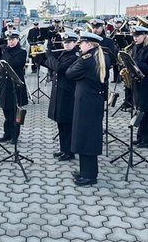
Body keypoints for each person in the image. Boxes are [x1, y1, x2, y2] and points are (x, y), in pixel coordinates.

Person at [65, 31, 107, 186]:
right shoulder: (96, 56)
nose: (79, 45)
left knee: (87, 138)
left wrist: (78, 58)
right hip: (90, 102)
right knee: (85, 136)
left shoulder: (86, 60)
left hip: (87, 104)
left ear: (89, 45)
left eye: (81, 43)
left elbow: (69, 73)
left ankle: (90, 175)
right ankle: (85, 171)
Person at [44, 30, 78, 161]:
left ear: (75, 43)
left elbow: (59, 68)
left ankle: (69, 152)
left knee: (67, 124)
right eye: (65, 42)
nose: (66, 44)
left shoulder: (74, 57)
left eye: (69, 42)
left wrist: (50, 56)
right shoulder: (64, 53)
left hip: (68, 94)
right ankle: (63, 149)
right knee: (61, 123)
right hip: (60, 92)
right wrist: (47, 55)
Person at [0, 29, 28, 144]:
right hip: (5, 85)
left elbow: (13, 63)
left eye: (13, 39)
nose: (10, 42)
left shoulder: (21, 52)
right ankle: (7, 133)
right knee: (6, 110)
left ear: (18, 40)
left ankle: (15, 135)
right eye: (9, 40)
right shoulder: (6, 50)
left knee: (14, 112)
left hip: (15, 86)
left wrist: (6, 51)